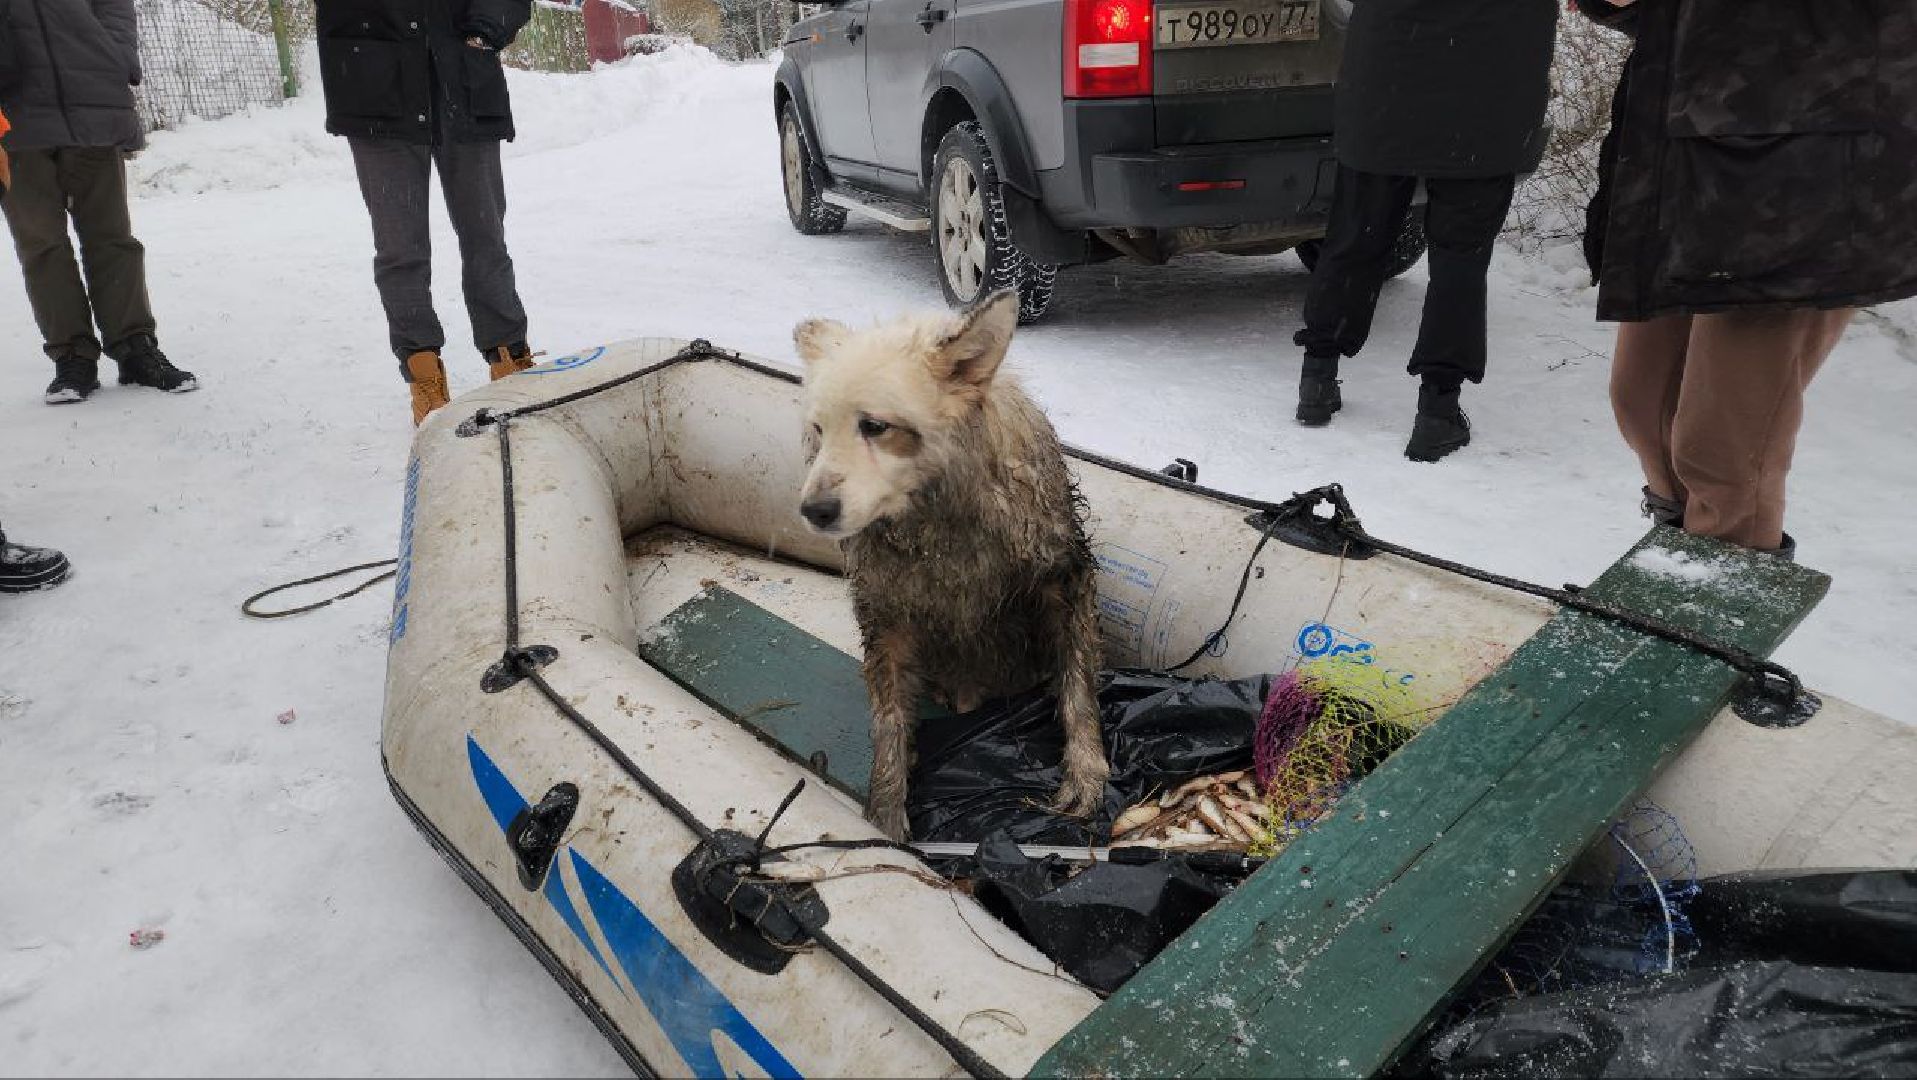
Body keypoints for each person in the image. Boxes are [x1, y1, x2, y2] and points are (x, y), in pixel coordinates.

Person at [1580, 0, 1915, 555]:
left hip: (1805, 176)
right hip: (1690, 165)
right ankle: (1681, 559)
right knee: (1643, 401)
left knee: (1724, 448)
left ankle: (1720, 589)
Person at [1293, 0, 1559, 461]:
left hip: (1389, 71)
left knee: (1357, 232)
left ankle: (1317, 375)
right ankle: (1438, 409)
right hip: (1489, 88)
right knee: (1460, 257)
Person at [316, 0, 539, 425]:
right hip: (375, 86)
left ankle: (509, 357)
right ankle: (423, 374)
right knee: (400, 248)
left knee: (485, 236)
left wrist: (486, 30)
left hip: (462, 77)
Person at [0, 0, 197, 404]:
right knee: (41, 245)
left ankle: (135, 347)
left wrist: (114, 55)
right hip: (12, 116)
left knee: (112, 236)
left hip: (91, 97)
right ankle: (72, 357)